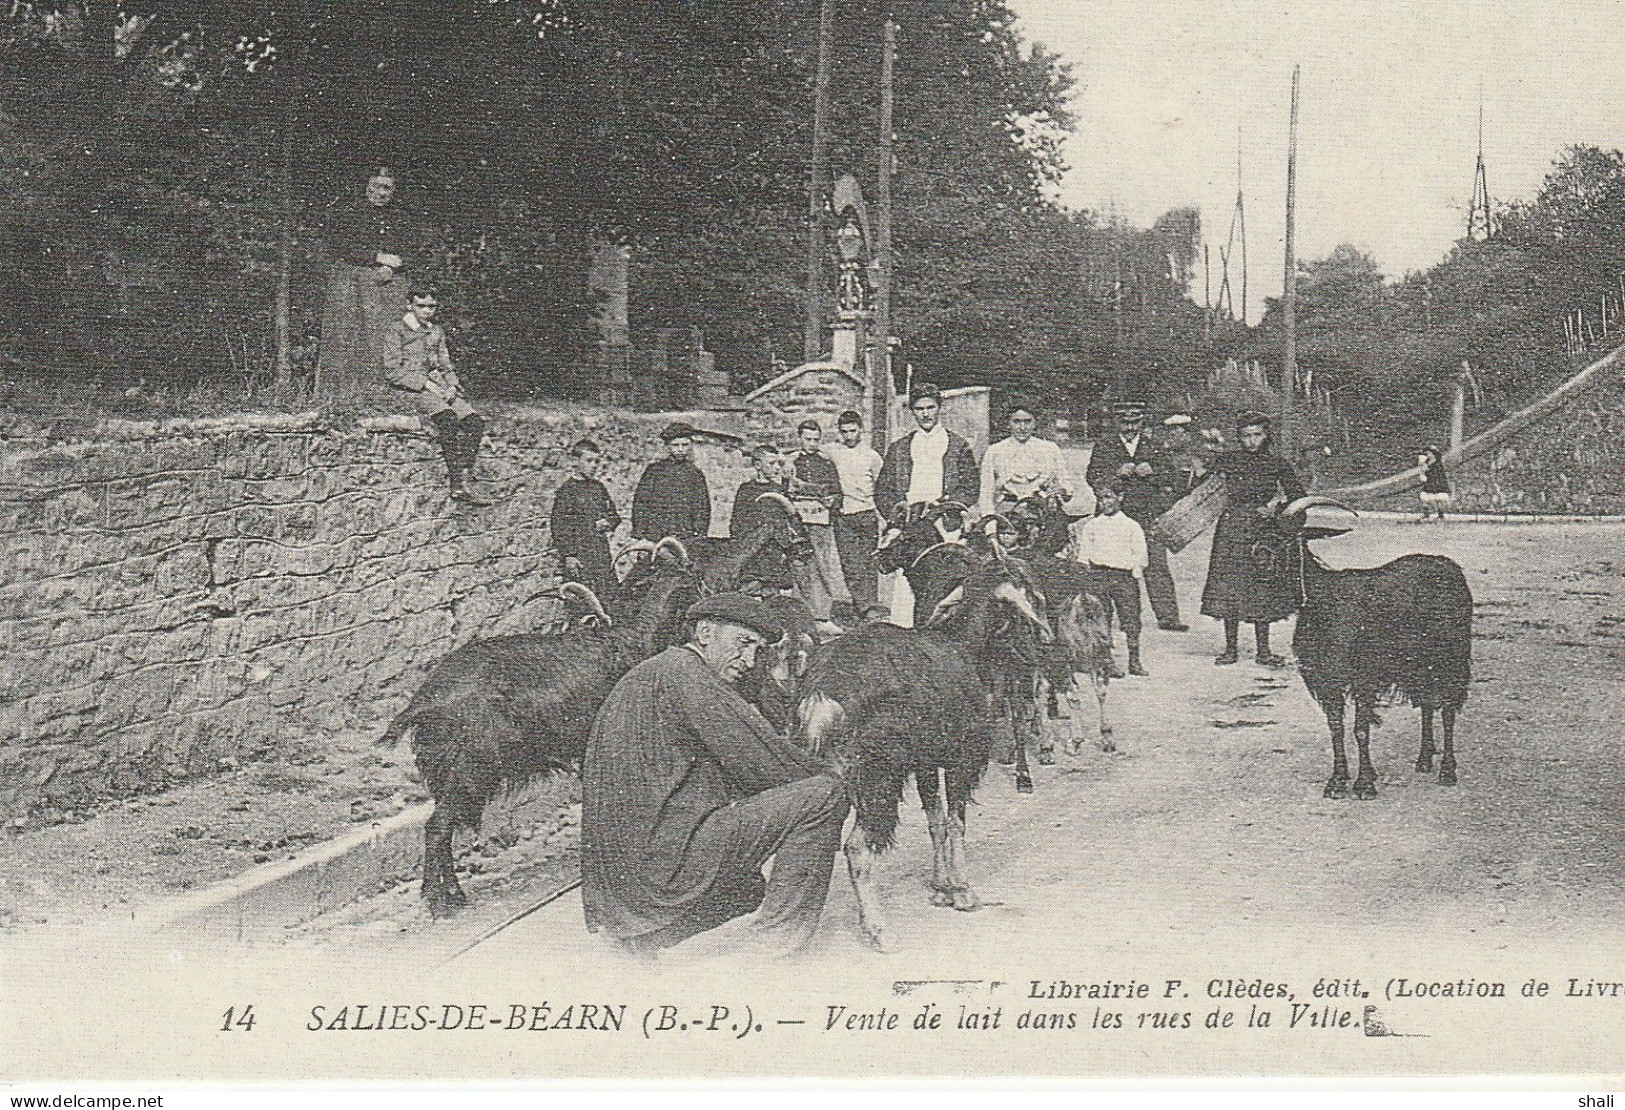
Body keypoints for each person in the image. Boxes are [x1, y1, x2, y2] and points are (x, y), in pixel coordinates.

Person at [581, 592, 849, 959]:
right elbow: (770, 765)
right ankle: (775, 951)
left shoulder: (655, 672)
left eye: (757, 650)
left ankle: (638, 941)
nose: (750, 660)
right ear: (705, 632)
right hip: (659, 865)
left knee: (747, 890)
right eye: (743, 643)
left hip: (622, 877)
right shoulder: (687, 674)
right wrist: (844, 779)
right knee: (825, 794)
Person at [1199, 412, 1307, 668]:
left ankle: (1264, 650)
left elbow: (1298, 497)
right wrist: (1207, 457)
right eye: (1245, 436)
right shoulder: (1228, 460)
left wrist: (1276, 508)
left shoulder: (1277, 463)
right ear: (1239, 437)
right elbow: (1202, 483)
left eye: (1256, 435)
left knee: (1262, 587)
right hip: (1232, 529)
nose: (1251, 441)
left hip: (1262, 530)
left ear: (1266, 434)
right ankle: (1230, 649)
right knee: (1229, 587)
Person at [875, 383, 980, 623]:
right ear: (912, 411)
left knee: (947, 580)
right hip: (912, 525)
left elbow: (970, 486)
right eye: (920, 408)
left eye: (930, 407)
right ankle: (907, 633)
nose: (926, 413)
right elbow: (883, 489)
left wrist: (949, 505)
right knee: (908, 582)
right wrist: (898, 512)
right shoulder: (900, 448)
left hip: (945, 525)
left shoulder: (958, 445)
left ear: (939, 408)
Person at [381, 287, 493, 505]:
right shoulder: (397, 330)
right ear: (409, 306)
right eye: (421, 306)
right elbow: (392, 371)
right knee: (448, 420)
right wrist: (426, 385)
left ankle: (466, 475)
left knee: (474, 422)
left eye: (431, 306)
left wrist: (452, 385)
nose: (426, 311)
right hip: (413, 387)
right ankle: (457, 485)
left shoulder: (436, 331)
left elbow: (445, 365)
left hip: (440, 386)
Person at [1085, 400, 1188, 631]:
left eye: (1135, 422)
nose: (1130, 428)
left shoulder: (1154, 445)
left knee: (1155, 563)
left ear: (1142, 422)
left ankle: (1168, 617)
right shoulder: (1104, 446)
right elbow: (1091, 477)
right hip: (1113, 516)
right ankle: (1105, 617)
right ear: (1116, 422)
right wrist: (1115, 474)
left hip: (1147, 514)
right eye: (1125, 422)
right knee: (1106, 564)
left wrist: (1153, 472)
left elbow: (1172, 477)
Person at [317, 167, 413, 398]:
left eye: (387, 188)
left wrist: (391, 266)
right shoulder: (348, 213)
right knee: (348, 336)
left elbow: (411, 248)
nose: (381, 193)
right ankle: (342, 393)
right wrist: (375, 258)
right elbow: (338, 246)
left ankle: (385, 391)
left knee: (385, 337)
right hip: (351, 283)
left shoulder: (401, 217)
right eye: (376, 187)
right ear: (367, 188)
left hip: (389, 285)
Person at [1071, 482, 1149, 678]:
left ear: (1119, 497)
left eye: (1108, 497)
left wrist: (1135, 571)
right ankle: (1106, 661)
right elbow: (1084, 554)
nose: (1104, 502)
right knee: (1101, 618)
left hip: (1123, 577)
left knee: (1131, 618)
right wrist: (1085, 575)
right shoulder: (1092, 526)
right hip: (1099, 575)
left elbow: (1141, 555)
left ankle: (1134, 660)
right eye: (1100, 498)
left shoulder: (1131, 526)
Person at [788, 419, 850, 637]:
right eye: (808, 439)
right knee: (799, 567)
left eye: (816, 440)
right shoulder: (791, 462)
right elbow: (787, 488)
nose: (812, 444)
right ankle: (799, 615)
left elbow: (837, 492)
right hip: (797, 524)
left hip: (821, 523)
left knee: (822, 568)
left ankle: (822, 616)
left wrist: (831, 500)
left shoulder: (826, 463)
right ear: (800, 438)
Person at [824, 409, 886, 620]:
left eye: (853, 431)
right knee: (850, 563)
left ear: (861, 430)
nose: (849, 436)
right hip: (843, 515)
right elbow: (809, 451)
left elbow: (882, 486)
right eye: (845, 432)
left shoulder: (872, 456)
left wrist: (882, 515)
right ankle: (863, 605)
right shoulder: (833, 451)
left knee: (869, 562)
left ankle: (870, 603)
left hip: (867, 514)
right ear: (839, 433)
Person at [550, 439, 621, 597]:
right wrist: (569, 555)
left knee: (609, 596)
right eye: (589, 461)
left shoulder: (598, 488)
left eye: (596, 461)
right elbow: (559, 526)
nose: (594, 465)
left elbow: (614, 515)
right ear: (576, 461)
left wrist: (607, 522)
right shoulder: (567, 491)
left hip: (601, 553)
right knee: (584, 599)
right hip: (581, 556)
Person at [979, 400, 1070, 517]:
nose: (1022, 427)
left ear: (1035, 423)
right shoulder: (994, 451)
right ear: (1008, 423)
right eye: (1016, 422)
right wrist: (990, 526)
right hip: (1007, 511)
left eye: (1027, 422)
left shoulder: (1050, 449)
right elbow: (985, 494)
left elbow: (1066, 486)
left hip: (1041, 510)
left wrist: (1060, 492)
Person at [631, 422, 712, 543]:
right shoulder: (654, 471)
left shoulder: (695, 474)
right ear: (668, 446)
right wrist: (640, 534)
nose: (680, 449)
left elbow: (702, 508)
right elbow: (641, 504)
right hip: (656, 534)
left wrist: (700, 534)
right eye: (675, 445)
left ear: (690, 445)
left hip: (685, 535)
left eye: (684, 445)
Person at [729, 443, 787, 542]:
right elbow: (737, 520)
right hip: (751, 544)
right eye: (772, 463)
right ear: (758, 465)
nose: (777, 467)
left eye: (778, 463)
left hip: (774, 546)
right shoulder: (746, 490)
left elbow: (786, 520)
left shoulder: (779, 490)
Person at [1419, 446, 1451, 521]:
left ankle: (1440, 515)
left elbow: (1433, 473)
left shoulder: (1438, 463)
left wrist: (1424, 468)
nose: (1427, 454)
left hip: (1437, 483)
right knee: (1424, 498)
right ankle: (1426, 515)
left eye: (1428, 453)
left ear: (1433, 454)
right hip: (1430, 483)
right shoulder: (1427, 461)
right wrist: (1422, 465)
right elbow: (1424, 472)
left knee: (1439, 499)